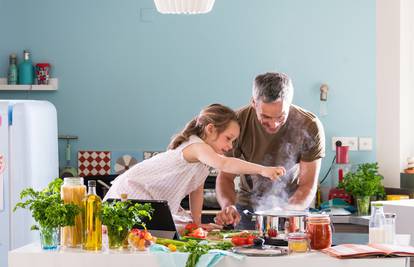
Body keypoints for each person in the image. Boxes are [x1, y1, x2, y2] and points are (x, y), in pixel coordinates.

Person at [104, 104, 286, 226]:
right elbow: (224, 163)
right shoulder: (197, 147)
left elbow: (196, 190)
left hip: (147, 200)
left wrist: (196, 224)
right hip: (130, 192)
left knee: (175, 229)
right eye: (228, 139)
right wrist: (263, 170)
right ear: (210, 129)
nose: (230, 146)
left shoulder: (202, 162)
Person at [215, 72, 325, 229]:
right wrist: (228, 205)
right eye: (265, 117)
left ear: (289, 103)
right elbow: (225, 177)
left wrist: (286, 212)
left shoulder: (309, 125)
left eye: (281, 117)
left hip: (293, 206)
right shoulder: (238, 122)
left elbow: (307, 185)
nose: (273, 124)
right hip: (247, 208)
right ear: (254, 103)